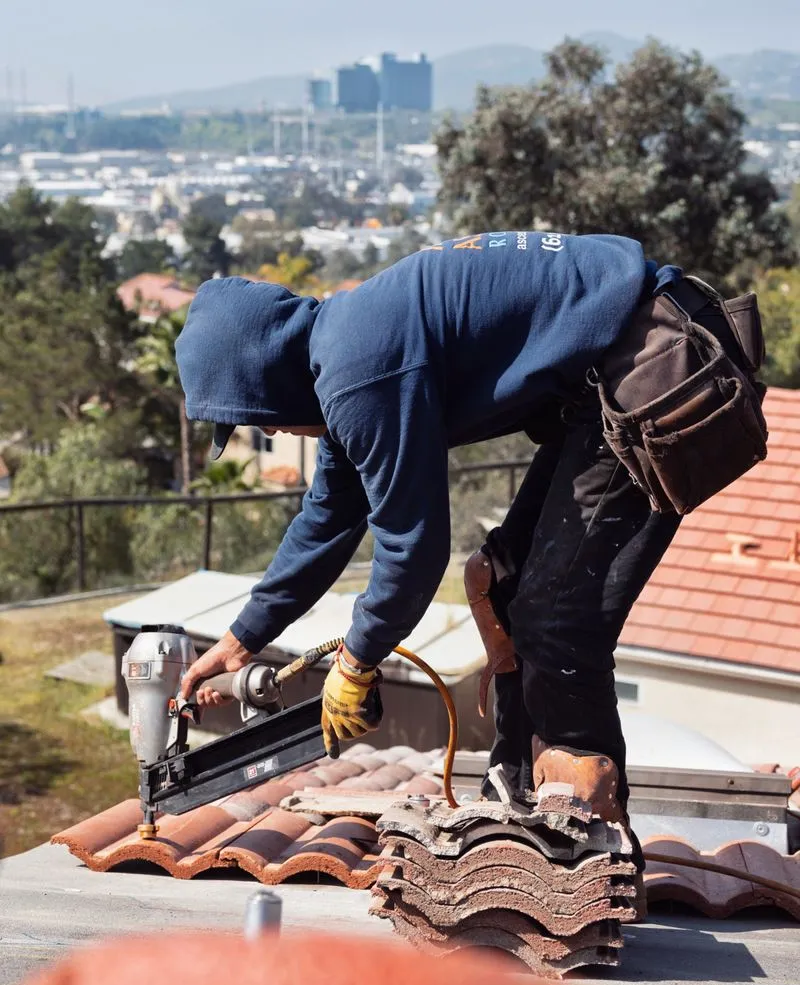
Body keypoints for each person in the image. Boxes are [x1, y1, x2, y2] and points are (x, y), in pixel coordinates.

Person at [173, 230, 725, 859]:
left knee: (557, 621)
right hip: (625, 364)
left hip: (663, 359)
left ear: (268, 384)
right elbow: (327, 519)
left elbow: (412, 549)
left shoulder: (359, 371)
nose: (271, 430)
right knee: (508, 582)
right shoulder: (345, 348)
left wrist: (357, 660)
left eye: (258, 418)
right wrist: (239, 640)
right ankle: (521, 808)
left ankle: (587, 847)